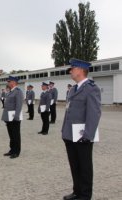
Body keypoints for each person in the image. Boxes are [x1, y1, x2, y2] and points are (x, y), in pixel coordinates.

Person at [62, 59, 101, 200]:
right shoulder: (73, 88)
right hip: (70, 135)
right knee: (75, 165)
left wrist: (88, 135)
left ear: (80, 69)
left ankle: (85, 195)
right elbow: (69, 111)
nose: (71, 71)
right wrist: (64, 132)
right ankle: (77, 191)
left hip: (82, 135)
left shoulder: (91, 88)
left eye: (72, 68)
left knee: (84, 167)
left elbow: (94, 113)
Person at [1, 76, 23, 159]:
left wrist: (16, 117)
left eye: (9, 81)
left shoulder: (18, 92)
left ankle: (16, 151)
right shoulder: (10, 91)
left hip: (14, 118)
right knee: (11, 135)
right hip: (9, 117)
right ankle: (12, 150)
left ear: (13, 82)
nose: (8, 83)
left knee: (16, 135)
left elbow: (19, 105)